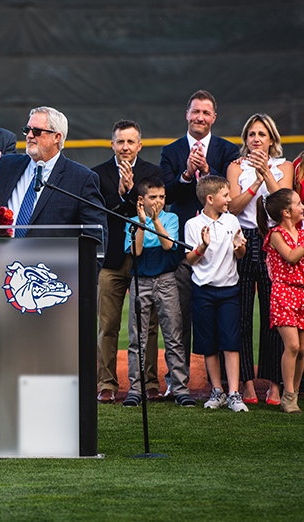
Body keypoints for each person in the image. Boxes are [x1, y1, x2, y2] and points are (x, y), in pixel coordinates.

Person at [160, 90, 239, 396]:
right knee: (179, 317)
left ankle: (219, 386)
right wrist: (186, 173)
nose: (200, 118)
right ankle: (177, 383)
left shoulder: (227, 150)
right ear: (187, 114)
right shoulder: (171, 150)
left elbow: (229, 193)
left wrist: (207, 172)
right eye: (195, 112)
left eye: (206, 113)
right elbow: (166, 193)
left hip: (220, 252)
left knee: (222, 320)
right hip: (184, 245)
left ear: (213, 117)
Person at [92, 120, 164, 404]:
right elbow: (98, 209)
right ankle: (106, 383)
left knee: (147, 326)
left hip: (144, 259)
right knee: (108, 325)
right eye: (120, 142)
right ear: (112, 144)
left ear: (139, 145)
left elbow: (157, 208)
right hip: (110, 259)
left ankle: (149, 382)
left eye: (130, 142)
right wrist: (121, 193)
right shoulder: (97, 174)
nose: (125, 147)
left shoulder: (153, 172)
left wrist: (134, 190)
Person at [227, 114, 293, 404]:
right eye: (251, 134)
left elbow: (283, 205)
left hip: (273, 242)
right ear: (245, 139)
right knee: (240, 315)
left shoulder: (284, 166)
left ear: (272, 139)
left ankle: (275, 384)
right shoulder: (236, 167)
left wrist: (266, 172)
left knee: (273, 316)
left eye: (262, 134)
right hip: (243, 239)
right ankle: (247, 383)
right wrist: (253, 181)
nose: (256, 139)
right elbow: (233, 207)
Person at [123, 177, 194, 407]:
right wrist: (143, 223)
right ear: (141, 200)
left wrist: (155, 221)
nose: (159, 201)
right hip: (140, 281)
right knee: (137, 338)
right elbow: (136, 250)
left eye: (162, 197)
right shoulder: (132, 221)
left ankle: (180, 388)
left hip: (166, 281)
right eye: (153, 197)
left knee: (173, 336)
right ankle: (136, 388)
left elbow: (167, 245)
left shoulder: (170, 218)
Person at [0, 106, 107, 247]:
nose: (29, 136)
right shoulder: (6, 165)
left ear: (56, 137)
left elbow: (95, 238)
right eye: (27, 130)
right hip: (3, 261)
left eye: (37, 131)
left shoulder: (81, 179)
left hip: (50, 265)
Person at [185, 176, 248, 412]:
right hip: (202, 291)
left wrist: (240, 247)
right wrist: (202, 246)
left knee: (231, 342)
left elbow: (239, 254)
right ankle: (217, 391)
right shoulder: (192, 224)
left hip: (229, 291)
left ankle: (233, 393)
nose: (230, 199)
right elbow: (190, 259)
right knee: (208, 343)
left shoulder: (232, 220)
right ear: (210, 199)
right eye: (225, 195)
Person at [257, 189, 304, 413]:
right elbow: (291, 256)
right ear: (286, 212)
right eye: (298, 203)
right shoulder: (275, 233)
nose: (302, 206)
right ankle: (288, 395)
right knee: (292, 345)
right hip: (284, 292)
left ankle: (292, 394)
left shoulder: (302, 233)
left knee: (303, 349)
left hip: (302, 292)